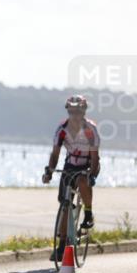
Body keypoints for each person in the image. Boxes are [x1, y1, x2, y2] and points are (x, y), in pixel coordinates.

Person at [42, 94, 100, 259]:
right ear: (68, 111)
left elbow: (95, 157)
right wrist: (49, 171)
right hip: (70, 165)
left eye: (78, 111)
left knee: (82, 180)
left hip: (88, 164)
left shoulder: (90, 129)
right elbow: (55, 154)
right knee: (65, 204)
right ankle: (61, 246)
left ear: (84, 111)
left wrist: (92, 175)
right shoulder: (62, 129)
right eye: (72, 111)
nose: (75, 115)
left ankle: (88, 213)